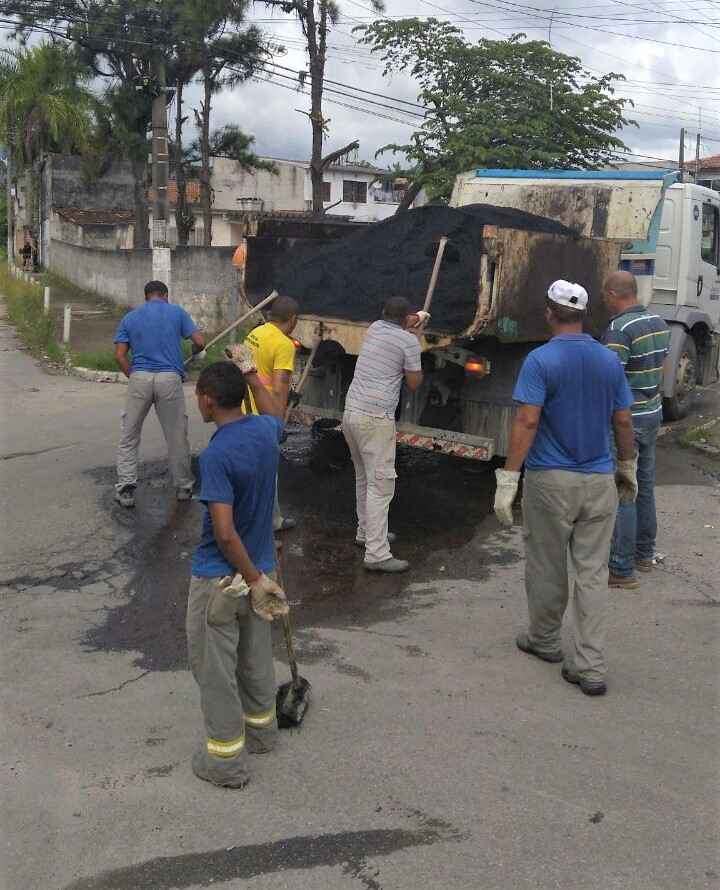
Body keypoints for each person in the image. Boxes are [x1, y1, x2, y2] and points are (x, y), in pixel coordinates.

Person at [493, 280, 637, 697]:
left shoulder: (541, 360)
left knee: (547, 563)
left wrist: (509, 478)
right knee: (593, 573)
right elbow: (623, 420)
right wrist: (626, 466)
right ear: (584, 315)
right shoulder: (609, 361)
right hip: (598, 480)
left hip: (550, 481)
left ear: (549, 313)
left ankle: (545, 640)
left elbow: (527, 421)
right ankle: (591, 666)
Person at [187, 353, 288, 788]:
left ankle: (225, 763)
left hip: (222, 579)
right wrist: (253, 374)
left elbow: (225, 534)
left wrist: (250, 579)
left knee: (215, 670)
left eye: (199, 399)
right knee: (255, 658)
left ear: (208, 402)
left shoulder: (216, 456)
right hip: (261, 569)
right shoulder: (266, 432)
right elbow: (276, 411)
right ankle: (262, 734)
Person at [342, 297, 428, 573]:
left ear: (383, 314)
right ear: (405, 320)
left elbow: (403, 321)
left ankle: (366, 534)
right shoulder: (408, 342)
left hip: (351, 413)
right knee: (380, 486)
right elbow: (414, 383)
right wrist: (417, 340)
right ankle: (377, 554)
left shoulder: (375, 328)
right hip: (375, 420)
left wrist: (414, 324)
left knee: (363, 478)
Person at [603, 270, 671, 589]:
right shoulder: (658, 322)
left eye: (606, 295)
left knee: (624, 488)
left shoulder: (619, 329)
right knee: (644, 484)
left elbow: (611, 382)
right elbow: (663, 368)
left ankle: (621, 568)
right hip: (653, 413)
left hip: (628, 420)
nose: (605, 301)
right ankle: (645, 554)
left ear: (616, 294)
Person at [113, 280, 206, 508]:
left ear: (146, 297)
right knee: (176, 435)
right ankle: (183, 487)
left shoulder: (131, 317)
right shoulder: (176, 312)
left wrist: (133, 375)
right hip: (169, 379)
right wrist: (195, 354)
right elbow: (199, 341)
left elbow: (120, 355)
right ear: (165, 295)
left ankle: (126, 489)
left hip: (140, 377)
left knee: (129, 435)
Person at [243, 295, 300, 532]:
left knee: (256, 469)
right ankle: (262, 526)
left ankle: (272, 519)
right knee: (266, 473)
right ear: (293, 319)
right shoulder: (284, 344)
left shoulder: (255, 334)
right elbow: (280, 386)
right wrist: (279, 421)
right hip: (264, 414)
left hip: (245, 406)